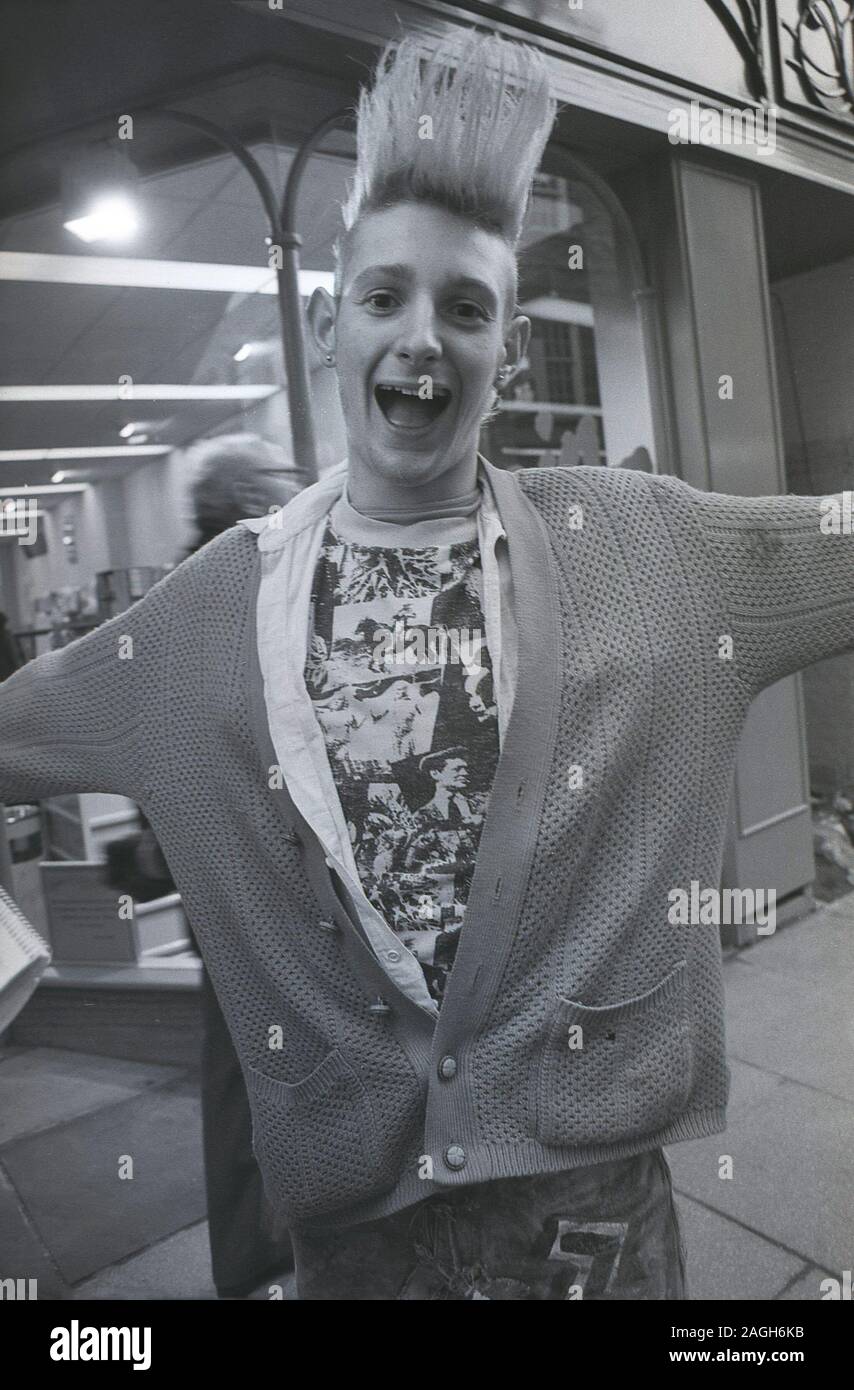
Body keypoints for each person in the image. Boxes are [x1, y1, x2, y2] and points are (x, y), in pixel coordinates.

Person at [0, 30, 852, 1301]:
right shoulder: (208, 615)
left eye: (465, 308)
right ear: (330, 322)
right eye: (385, 296)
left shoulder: (645, 546)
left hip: (594, 1231)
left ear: (505, 353)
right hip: (355, 1244)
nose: (423, 338)